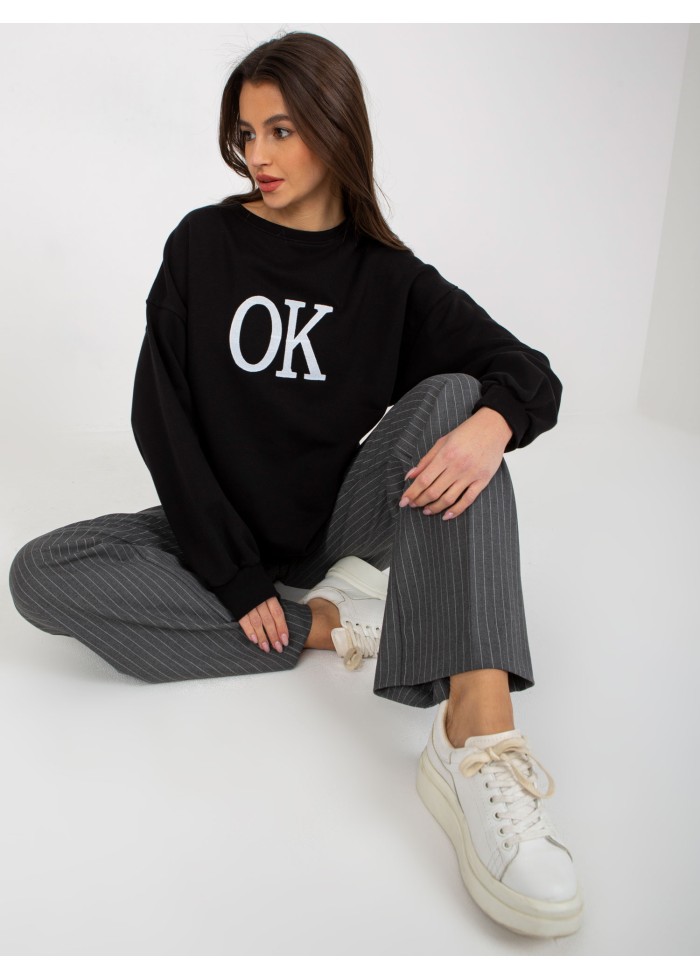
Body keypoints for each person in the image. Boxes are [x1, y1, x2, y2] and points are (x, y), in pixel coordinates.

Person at [9, 31, 582, 938]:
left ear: (333, 127)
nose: (258, 156)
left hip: (335, 523)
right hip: (215, 531)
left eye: (281, 130)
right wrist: (236, 577)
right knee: (40, 571)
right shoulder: (203, 243)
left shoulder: (387, 279)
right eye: (246, 133)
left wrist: (492, 423)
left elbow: (529, 371)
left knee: (457, 396)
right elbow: (160, 416)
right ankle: (328, 624)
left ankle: (474, 734)